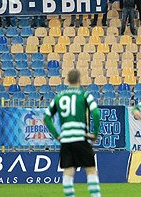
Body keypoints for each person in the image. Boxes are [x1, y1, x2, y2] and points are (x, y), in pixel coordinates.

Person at [43, 69, 102, 197]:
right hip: (81, 137)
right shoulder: (85, 95)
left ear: (67, 80)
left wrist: (57, 135)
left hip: (66, 140)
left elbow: (47, 117)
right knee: (91, 170)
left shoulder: (59, 96)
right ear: (79, 80)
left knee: (68, 172)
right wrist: (95, 133)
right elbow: (96, 113)